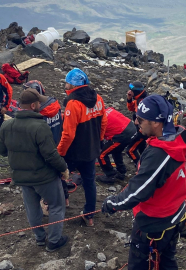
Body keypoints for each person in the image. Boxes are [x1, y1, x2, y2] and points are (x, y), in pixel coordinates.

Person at [101, 95, 186, 270]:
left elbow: (138, 191)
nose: (136, 123)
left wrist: (112, 203)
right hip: (176, 211)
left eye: (140, 119)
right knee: (167, 259)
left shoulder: (159, 154)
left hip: (154, 222)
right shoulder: (182, 139)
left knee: (138, 264)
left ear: (156, 123)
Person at [0, 89, 70, 252]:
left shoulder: (6, 125)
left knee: (32, 208)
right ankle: (54, 240)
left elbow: (2, 151)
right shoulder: (40, 126)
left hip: (22, 177)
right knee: (57, 206)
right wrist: (64, 168)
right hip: (44, 177)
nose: (40, 105)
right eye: (39, 103)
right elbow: (51, 155)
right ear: (33, 105)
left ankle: (39, 238)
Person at [57, 68, 107, 227]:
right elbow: (104, 122)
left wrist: (60, 153)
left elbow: (68, 134)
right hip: (91, 150)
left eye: (67, 83)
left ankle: (63, 201)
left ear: (72, 85)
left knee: (59, 174)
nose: (65, 85)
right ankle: (89, 215)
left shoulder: (73, 103)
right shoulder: (98, 98)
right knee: (89, 181)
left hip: (74, 152)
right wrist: (98, 141)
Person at [23, 80, 69, 207]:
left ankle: (50, 203)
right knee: (60, 172)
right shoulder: (54, 104)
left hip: (44, 149)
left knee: (49, 178)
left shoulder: (38, 113)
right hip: (59, 144)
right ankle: (65, 199)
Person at [96, 107, 136, 183]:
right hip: (131, 128)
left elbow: (98, 138)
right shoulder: (107, 109)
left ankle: (110, 175)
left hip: (122, 134)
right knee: (116, 150)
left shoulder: (97, 120)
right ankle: (121, 171)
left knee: (101, 155)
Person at [125, 81, 149, 166]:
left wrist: (139, 120)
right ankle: (145, 164)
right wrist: (129, 99)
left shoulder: (143, 101)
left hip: (143, 130)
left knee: (130, 150)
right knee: (142, 147)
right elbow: (131, 109)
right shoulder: (138, 98)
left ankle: (140, 166)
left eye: (131, 90)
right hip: (140, 128)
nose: (129, 92)